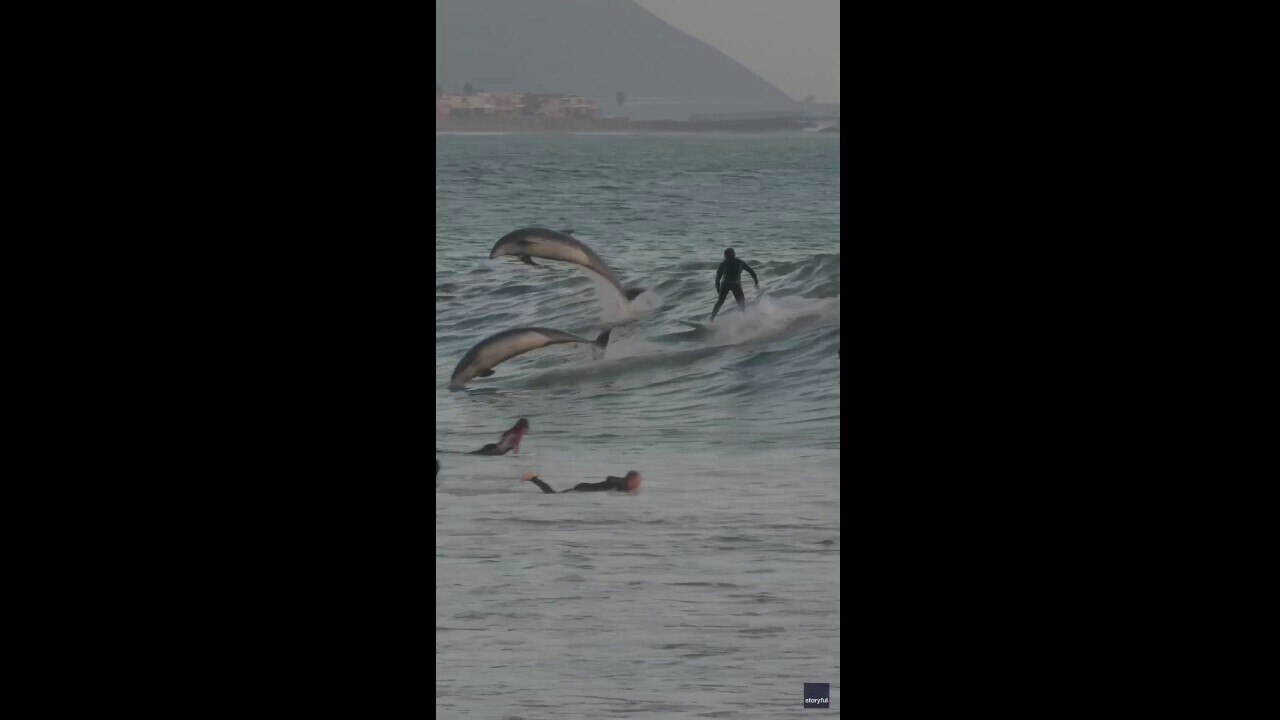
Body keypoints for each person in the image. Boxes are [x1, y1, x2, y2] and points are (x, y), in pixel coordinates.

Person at [710, 247, 759, 321]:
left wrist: (718, 288)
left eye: (726, 255)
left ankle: (711, 320)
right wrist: (756, 282)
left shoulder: (724, 263)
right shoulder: (740, 262)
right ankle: (742, 319)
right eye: (726, 255)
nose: (727, 256)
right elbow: (751, 271)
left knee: (720, 302)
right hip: (735, 285)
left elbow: (717, 279)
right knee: (741, 303)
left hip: (726, 284)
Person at [520, 470, 642, 494]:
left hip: (583, 489)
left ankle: (534, 478)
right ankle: (533, 478)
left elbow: (611, 479)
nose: (640, 483)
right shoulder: (623, 485)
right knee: (552, 495)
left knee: (553, 494)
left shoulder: (622, 484)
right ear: (632, 480)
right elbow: (611, 479)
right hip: (582, 490)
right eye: (638, 481)